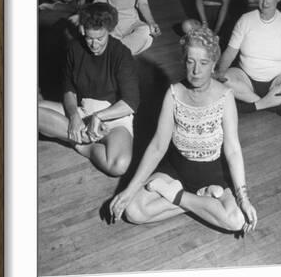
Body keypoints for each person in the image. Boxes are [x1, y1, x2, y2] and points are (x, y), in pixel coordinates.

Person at [109, 27, 257, 234]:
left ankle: (178, 197)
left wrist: (244, 198)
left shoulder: (225, 96)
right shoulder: (173, 93)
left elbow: (233, 149)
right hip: (177, 169)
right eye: (190, 61)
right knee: (133, 211)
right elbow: (158, 146)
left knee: (237, 221)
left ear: (213, 64)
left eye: (204, 63)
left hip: (213, 172)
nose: (196, 71)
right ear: (183, 61)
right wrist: (129, 190)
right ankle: (201, 201)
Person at [38, 3, 139, 177]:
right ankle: (83, 137)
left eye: (99, 38)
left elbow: (131, 102)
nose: (94, 44)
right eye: (89, 38)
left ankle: (85, 145)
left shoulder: (121, 54)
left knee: (118, 165)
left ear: (109, 31)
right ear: (83, 30)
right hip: (83, 110)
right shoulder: (74, 48)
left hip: (113, 117)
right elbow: (68, 88)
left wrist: (98, 117)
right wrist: (74, 116)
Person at [215, 0, 281, 113]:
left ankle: (254, 105)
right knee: (222, 79)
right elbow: (231, 52)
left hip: (275, 81)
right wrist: (218, 73)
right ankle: (267, 104)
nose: (264, 3)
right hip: (246, 80)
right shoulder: (245, 20)